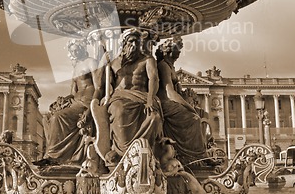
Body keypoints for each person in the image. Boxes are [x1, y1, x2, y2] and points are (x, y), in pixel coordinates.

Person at [93, 28, 163, 160]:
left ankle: (144, 151)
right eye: (131, 42)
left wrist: (150, 100)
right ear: (124, 44)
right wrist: (103, 62)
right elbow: (99, 85)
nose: (134, 45)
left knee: (154, 116)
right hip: (120, 97)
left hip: (142, 97)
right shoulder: (114, 62)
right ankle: (122, 152)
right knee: (119, 110)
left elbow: (154, 79)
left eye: (137, 42)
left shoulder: (148, 60)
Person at [43, 39, 100, 164]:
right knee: (48, 117)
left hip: (86, 101)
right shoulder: (75, 68)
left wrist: (91, 108)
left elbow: (98, 87)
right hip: (76, 101)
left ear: (82, 48)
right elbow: (73, 93)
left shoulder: (91, 62)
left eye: (76, 49)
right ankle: (57, 155)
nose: (74, 52)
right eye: (72, 50)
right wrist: (64, 99)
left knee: (58, 117)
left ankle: (53, 156)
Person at [156, 37, 207, 166]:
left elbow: (176, 91)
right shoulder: (163, 66)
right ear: (168, 51)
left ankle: (201, 152)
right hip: (165, 103)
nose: (179, 52)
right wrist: (189, 107)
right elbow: (170, 93)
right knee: (193, 118)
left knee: (201, 114)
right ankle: (195, 156)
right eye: (176, 49)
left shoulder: (171, 66)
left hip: (171, 101)